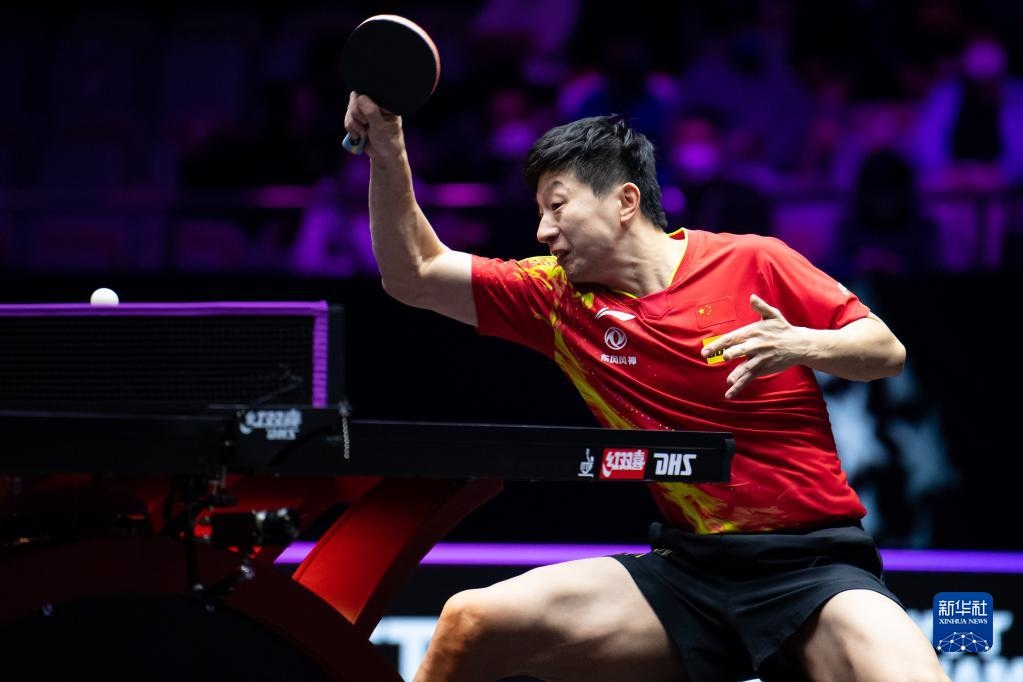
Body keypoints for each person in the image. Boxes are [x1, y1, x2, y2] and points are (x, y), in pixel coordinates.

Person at [344, 94, 948, 681]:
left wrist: (799, 344)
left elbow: (884, 351)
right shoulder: (556, 298)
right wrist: (388, 146)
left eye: (557, 206)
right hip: (688, 572)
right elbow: (415, 273)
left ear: (625, 201)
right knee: (470, 621)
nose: (543, 230)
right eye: (539, 211)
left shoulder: (754, 261)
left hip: (810, 565)